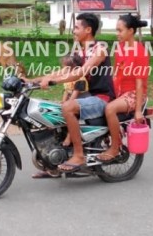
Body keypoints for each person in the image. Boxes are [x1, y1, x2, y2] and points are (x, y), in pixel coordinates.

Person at [25, 13, 115, 174]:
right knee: (50, 110)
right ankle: (52, 162)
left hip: (101, 98)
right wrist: (32, 80)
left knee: (67, 107)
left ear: (88, 30)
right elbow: (61, 71)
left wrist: (54, 82)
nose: (73, 31)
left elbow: (80, 72)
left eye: (76, 27)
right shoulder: (80, 52)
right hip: (86, 97)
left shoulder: (99, 50)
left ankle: (79, 155)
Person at [96, 14, 150, 163]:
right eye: (116, 30)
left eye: (120, 30)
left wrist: (138, 110)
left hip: (133, 94)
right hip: (120, 92)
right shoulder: (120, 48)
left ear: (131, 31)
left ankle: (115, 148)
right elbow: (116, 74)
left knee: (110, 109)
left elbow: (139, 84)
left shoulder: (140, 52)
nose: (117, 34)